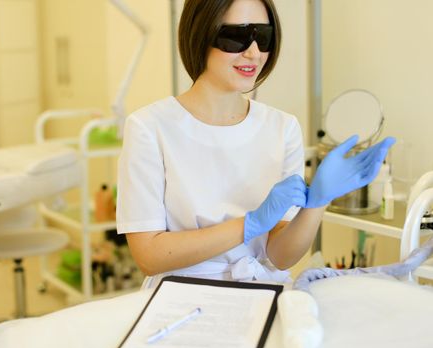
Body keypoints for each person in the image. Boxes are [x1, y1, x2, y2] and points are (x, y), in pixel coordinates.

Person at [116, 0, 395, 287]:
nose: (253, 53)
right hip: (180, 294)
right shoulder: (149, 127)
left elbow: (280, 257)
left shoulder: (283, 128)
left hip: (261, 290)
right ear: (200, 34)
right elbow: (149, 255)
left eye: (263, 37)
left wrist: (318, 203)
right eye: (236, 37)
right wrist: (249, 225)